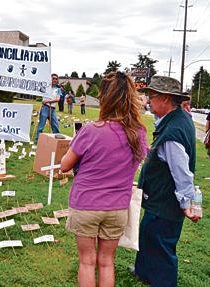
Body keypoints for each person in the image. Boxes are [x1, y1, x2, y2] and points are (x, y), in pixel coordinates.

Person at [61, 71, 148, 287]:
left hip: (86, 204)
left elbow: (64, 166)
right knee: (107, 262)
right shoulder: (139, 133)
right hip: (118, 207)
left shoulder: (91, 130)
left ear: (105, 98)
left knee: (87, 262)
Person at [132, 76, 201, 286]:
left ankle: (163, 282)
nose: (148, 100)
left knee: (161, 243)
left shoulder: (172, 132)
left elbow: (182, 173)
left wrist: (186, 204)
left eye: (151, 96)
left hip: (166, 203)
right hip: (159, 200)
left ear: (165, 98)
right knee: (147, 234)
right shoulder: (179, 118)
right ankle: (144, 272)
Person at [35, 73, 62, 141]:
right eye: (53, 78)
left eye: (56, 79)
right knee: (41, 124)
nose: (55, 80)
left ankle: (58, 139)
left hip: (52, 109)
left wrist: (47, 101)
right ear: (50, 79)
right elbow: (38, 89)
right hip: (45, 108)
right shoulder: (46, 87)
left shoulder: (58, 89)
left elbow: (58, 99)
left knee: (55, 125)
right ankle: (37, 139)